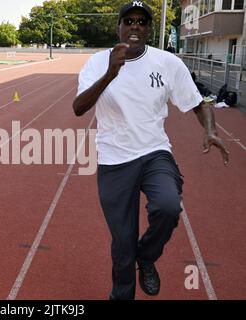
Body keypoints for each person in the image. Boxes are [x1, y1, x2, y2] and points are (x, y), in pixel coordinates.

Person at [73, 1, 229, 300]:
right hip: (114, 158)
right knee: (122, 243)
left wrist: (210, 130)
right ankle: (122, 294)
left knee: (168, 206)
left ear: (148, 29)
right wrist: (110, 73)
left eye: (142, 22)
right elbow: (79, 108)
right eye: (129, 21)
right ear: (118, 26)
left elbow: (198, 103)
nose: (135, 27)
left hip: (154, 151)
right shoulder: (97, 62)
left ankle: (145, 257)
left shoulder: (167, 63)